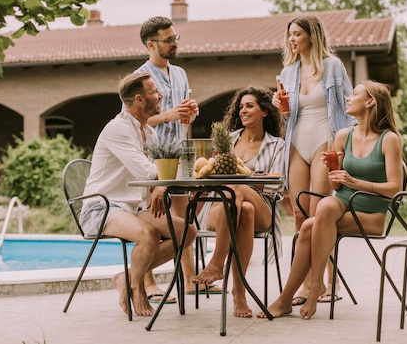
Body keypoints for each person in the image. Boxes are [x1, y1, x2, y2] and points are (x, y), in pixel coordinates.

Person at [258, 80, 404, 320]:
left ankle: (303, 292)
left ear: (370, 102)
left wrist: (356, 183)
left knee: (308, 226)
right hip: (342, 204)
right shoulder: (343, 136)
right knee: (323, 207)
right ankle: (306, 290)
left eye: (354, 94)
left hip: (371, 215)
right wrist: (332, 171)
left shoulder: (388, 140)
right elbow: (336, 186)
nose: (348, 97)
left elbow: (394, 189)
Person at [80, 72, 197, 317]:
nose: (161, 95)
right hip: (100, 208)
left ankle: (126, 276)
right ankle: (137, 286)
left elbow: (159, 174)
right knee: (149, 235)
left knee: (186, 231)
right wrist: (164, 178)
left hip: (132, 209)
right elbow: (147, 170)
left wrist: (162, 186)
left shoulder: (149, 133)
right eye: (155, 92)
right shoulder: (119, 129)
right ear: (139, 99)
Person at [273, 14, 355, 305]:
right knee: (298, 213)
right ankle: (307, 282)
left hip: (325, 139)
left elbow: (350, 107)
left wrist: (346, 147)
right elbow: (288, 115)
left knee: (317, 213)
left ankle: (327, 281)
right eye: (290, 34)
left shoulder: (332, 66)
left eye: (297, 34)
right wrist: (281, 110)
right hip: (297, 142)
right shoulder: (288, 72)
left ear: (312, 35)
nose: (292, 39)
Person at [192, 87, 285, 318]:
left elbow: (278, 182)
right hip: (220, 208)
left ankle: (216, 263)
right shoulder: (227, 141)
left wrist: (247, 179)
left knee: (238, 187)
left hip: (264, 206)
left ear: (264, 112)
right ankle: (239, 294)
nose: (244, 110)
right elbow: (208, 173)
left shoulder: (276, 145)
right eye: (241, 106)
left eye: (250, 105)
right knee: (244, 209)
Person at [133, 16, 203, 301]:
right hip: (152, 158)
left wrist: (190, 111)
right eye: (169, 40)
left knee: (182, 218)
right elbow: (137, 119)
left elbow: (182, 112)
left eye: (176, 38)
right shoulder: (139, 78)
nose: (175, 44)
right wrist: (169, 115)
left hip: (180, 154)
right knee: (153, 220)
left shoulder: (181, 73)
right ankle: (146, 283)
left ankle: (190, 279)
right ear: (151, 44)